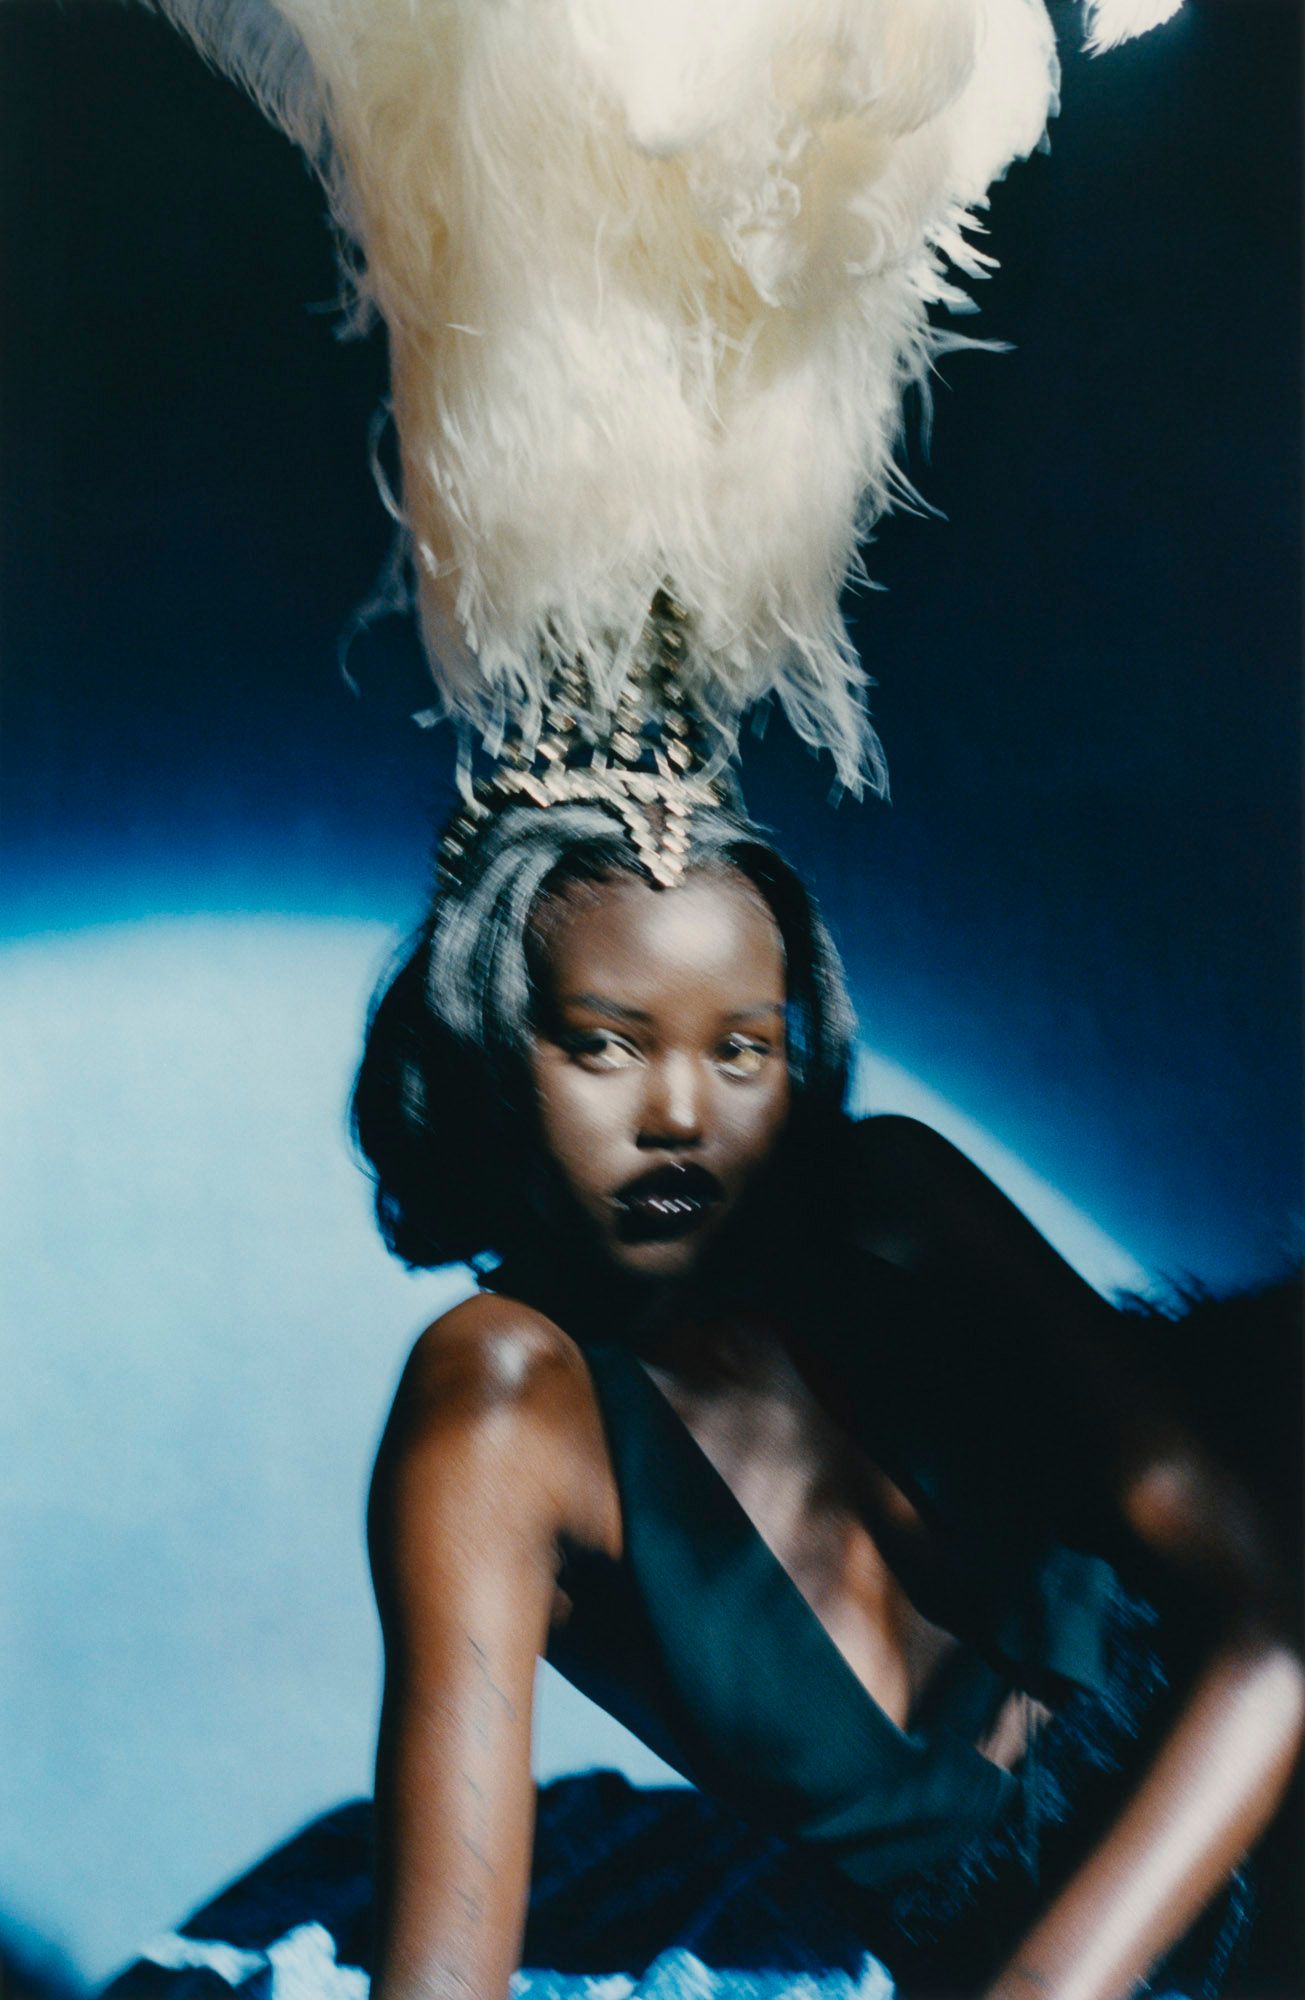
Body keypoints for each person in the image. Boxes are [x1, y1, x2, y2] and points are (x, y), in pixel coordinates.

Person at [343, 790, 1303, 2000]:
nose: (680, 1116)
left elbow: (1275, 1613)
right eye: (607, 1044)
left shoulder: (894, 1201)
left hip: (1240, 1777)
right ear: (483, 1047)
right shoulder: (498, 1409)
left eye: (741, 1048)